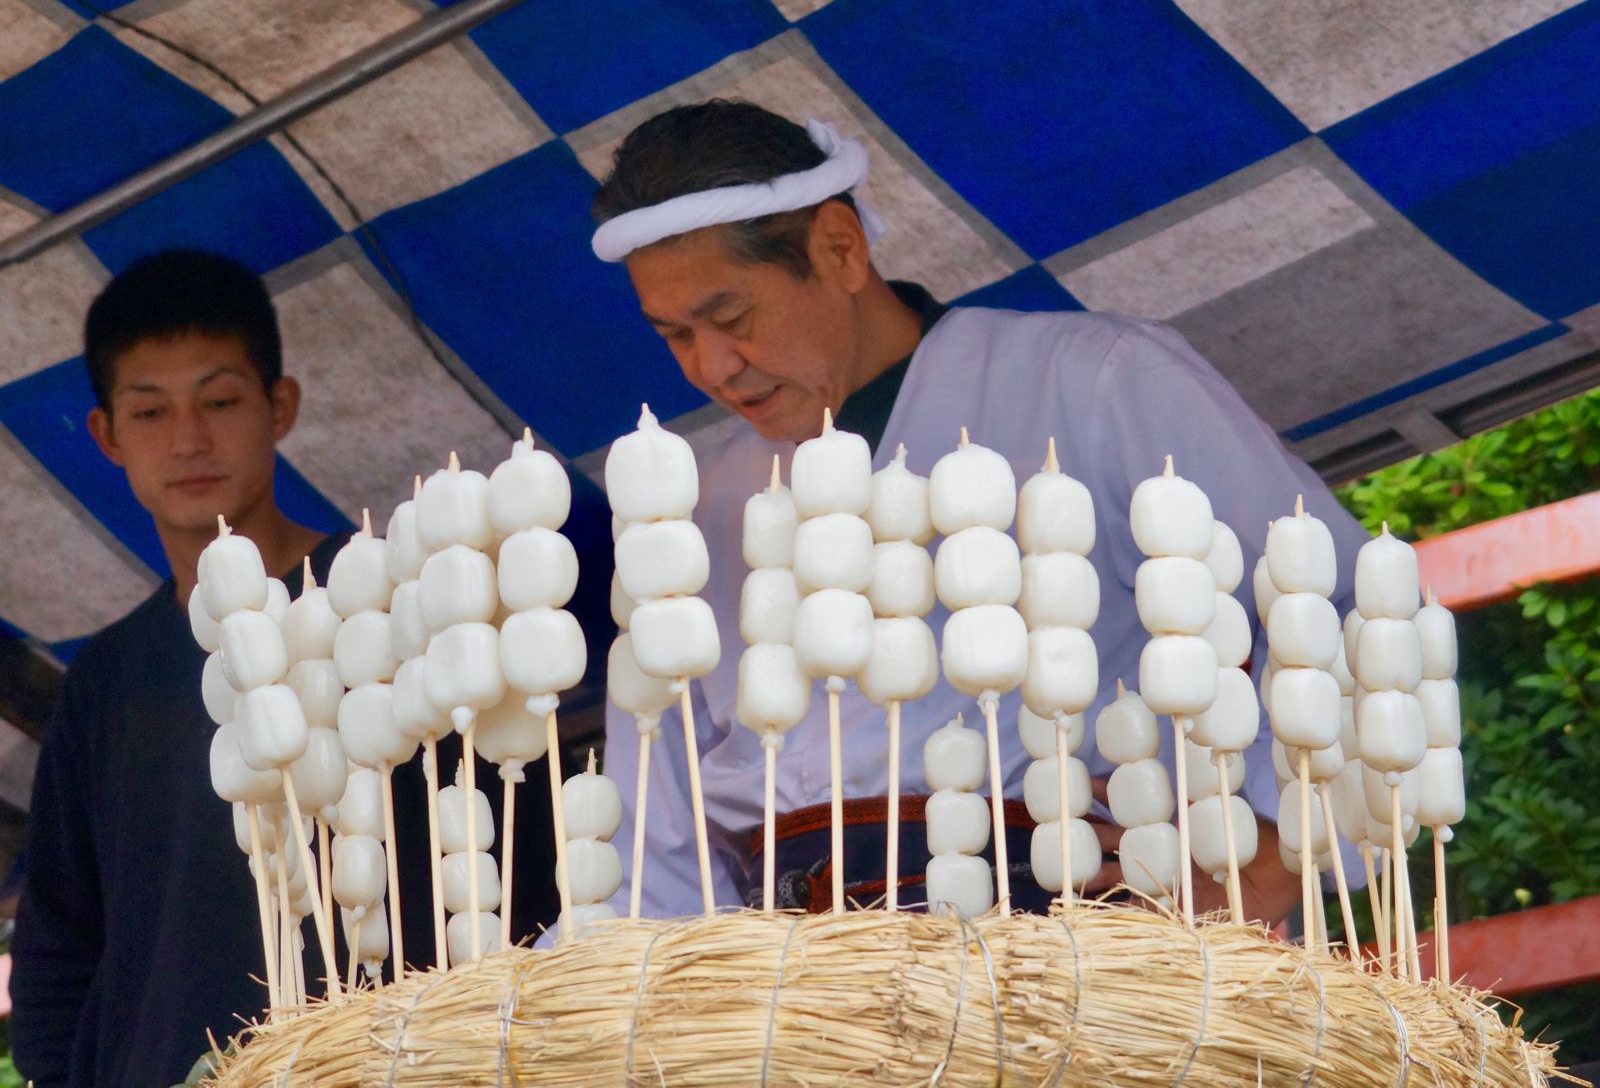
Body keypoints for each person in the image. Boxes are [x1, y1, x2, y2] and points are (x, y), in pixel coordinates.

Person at [588, 101, 1371, 923]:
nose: (712, 366)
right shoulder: (691, 508)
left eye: (730, 318)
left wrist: (1277, 858)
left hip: (1082, 939)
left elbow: (1346, 611)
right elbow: (658, 830)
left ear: (839, 249)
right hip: (801, 999)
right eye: (674, 335)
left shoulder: (1093, 384)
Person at [9, 250, 563, 1087]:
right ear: (107, 436)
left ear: (280, 406)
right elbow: (59, 946)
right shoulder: (106, 681)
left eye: (221, 400)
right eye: (151, 411)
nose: (189, 439)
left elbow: (524, 849)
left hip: (405, 1063)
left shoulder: (395, 595)